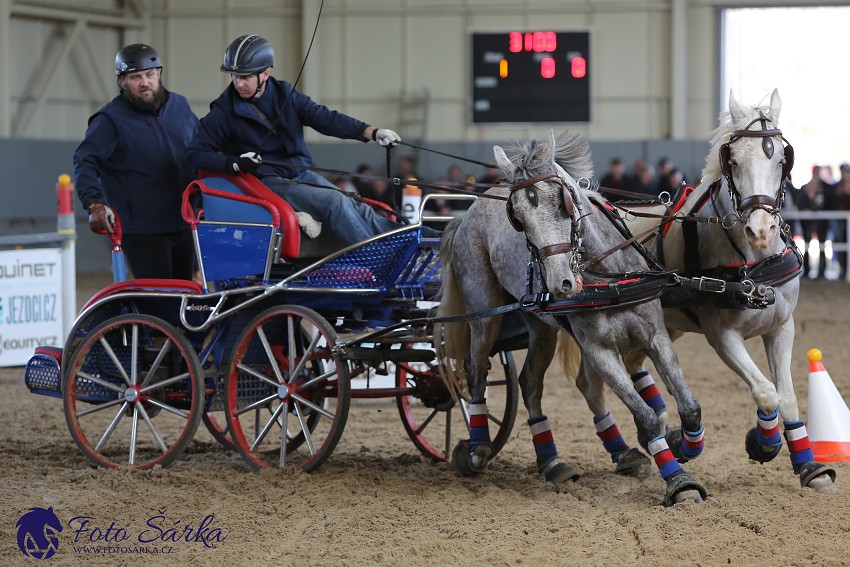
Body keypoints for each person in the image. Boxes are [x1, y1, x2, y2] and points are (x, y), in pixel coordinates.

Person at [186, 34, 412, 246]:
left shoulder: (286, 94)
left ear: (265, 74)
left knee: (356, 205)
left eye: (245, 77)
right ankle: (377, 256)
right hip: (266, 182)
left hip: (299, 174)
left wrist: (371, 132)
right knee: (335, 203)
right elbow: (193, 155)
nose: (238, 83)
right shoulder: (222, 112)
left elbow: (325, 118)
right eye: (234, 76)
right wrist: (234, 163)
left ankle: (415, 240)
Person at [73, 43, 199, 280]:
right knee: (159, 302)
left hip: (185, 222)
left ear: (159, 74)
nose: (145, 82)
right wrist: (94, 203)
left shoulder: (180, 107)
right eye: (135, 77)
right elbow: (85, 161)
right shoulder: (109, 120)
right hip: (143, 231)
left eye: (150, 74)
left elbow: (202, 148)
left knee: (187, 297)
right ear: (122, 81)